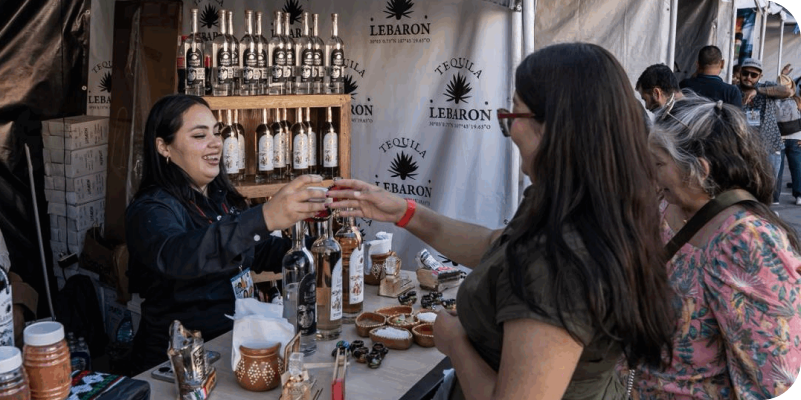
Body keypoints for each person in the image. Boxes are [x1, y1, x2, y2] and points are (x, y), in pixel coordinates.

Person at [328, 42, 676, 400]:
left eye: (513, 114)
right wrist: (403, 212)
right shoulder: (580, 205)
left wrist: (456, 343)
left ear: (555, 127)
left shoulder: (555, 260)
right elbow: (494, 246)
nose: (508, 129)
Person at [125, 94, 328, 374]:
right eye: (200, 135)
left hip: (234, 343)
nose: (216, 143)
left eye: (217, 133)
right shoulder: (151, 209)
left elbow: (259, 250)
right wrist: (263, 218)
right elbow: (179, 256)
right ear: (164, 147)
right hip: (180, 363)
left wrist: (323, 249)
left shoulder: (220, 197)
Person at [624, 95, 801, 399]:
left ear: (700, 169)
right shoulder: (666, 207)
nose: (651, 173)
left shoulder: (747, 241)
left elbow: (775, 377)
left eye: (659, 164)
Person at [738, 58, 794, 204]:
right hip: (743, 149)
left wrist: (758, 90)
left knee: (767, 189)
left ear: (760, 76)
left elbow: (787, 91)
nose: (748, 77)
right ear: (740, 73)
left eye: (753, 75)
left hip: (769, 147)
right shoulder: (733, 90)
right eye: (745, 73)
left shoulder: (766, 87)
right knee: (744, 189)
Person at [776, 74, 801, 205]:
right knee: (797, 167)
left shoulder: (772, 99)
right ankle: (799, 195)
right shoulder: (797, 99)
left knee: (777, 168)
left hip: (778, 138)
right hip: (796, 137)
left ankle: (775, 197)